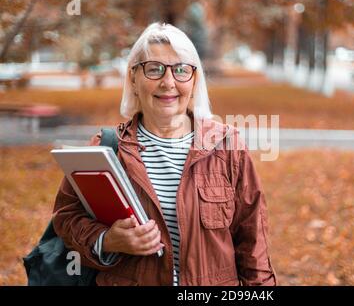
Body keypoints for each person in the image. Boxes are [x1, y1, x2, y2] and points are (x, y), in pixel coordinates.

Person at [52, 22, 277, 286]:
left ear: (194, 81)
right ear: (133, 79)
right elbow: (66, 218)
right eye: (154, 69)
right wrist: (108, 240)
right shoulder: (105, 149)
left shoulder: (227, 147)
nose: (168, 82)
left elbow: (253, 244)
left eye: (181, 70)